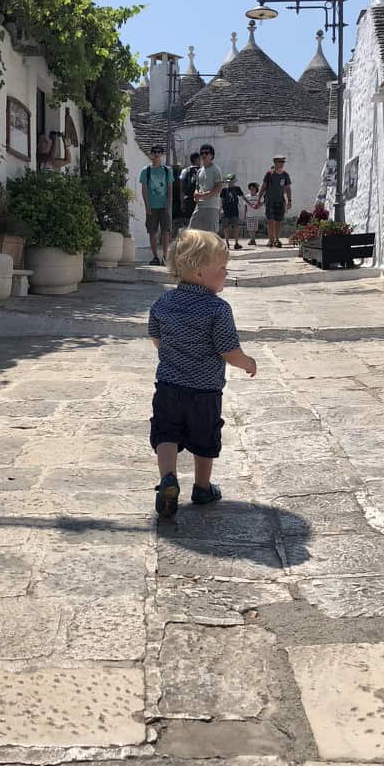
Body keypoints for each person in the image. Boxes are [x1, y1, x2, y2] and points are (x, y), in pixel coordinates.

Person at [148, 229, 257, 518]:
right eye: (221, 268)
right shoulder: (218, 309)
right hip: (205, 391)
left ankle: (168, 479)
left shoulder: (163, 303)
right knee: (205, 438)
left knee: (166, 432)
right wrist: (247, 363)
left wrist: (173, 355)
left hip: (168, 385)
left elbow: (156, 337)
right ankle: (202, 486)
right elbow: (227, 351)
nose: (225, 272)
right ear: (199, 273)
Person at [139, 145, 174, 265]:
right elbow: (144, 189)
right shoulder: (146, 171)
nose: (157, 154)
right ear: (152, 154)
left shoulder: (167, 170)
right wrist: (146, 205)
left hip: (164, 205)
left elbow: (170, 188)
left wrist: (169, 203)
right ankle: (155, 257)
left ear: (163, 154)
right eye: (155, 152)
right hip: (152, 206)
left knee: (165, 231)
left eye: (160, 152)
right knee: (152, 231)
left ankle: (165, 256)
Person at [258, 154, 292, 247]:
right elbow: (263, 187)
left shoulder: (285, 175)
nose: (282, 164)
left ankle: (277, 239)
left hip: (280, 200)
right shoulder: (269, 174)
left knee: (278, 221)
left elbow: (288, 188)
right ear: (275, 162)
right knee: (270, 220)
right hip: (269, 200)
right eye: (280, 162)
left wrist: (289, 200)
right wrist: (259, 199)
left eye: (283, 162)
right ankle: (270, 239)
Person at [188, 144, 223, 233]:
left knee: (211, 234)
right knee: (192, 231)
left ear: (211, 155)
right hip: (199, 206)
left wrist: (203, 195)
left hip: (211, 206)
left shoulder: (216, 170)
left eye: (206, 153)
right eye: (202, 153)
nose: (204, 155)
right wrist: (196, 193)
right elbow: (197, 186)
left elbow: (218, 188)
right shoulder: (200, 171)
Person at [220, 174, 245, 249]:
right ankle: (227, 243)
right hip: (226, 210)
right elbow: (222, 201)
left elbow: (243, 197)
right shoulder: (224, 190)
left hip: (234, 210)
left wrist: (250, 204)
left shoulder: (237, 189)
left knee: (236, 226)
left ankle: (236, 243)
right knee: (226, 227)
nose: (230, 183)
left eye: (232, 181)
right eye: (229, 181)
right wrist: (221, 210)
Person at [180, 152, 200, 225]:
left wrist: (182, 202)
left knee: (189, 221)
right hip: (200, 198)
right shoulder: (203, 170)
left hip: (188, 199)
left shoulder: (185, 171)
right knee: (199, 221)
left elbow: (182, 188)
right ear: (197, 159)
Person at [171, 161, 186, 236]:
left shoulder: (172, 180)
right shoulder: (181, 180)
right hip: (178, 203)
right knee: (179, 223)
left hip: (174, 203)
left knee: (175, 223)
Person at [245, 181, 262, 246]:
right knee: (249, 228)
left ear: (256, 189)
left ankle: (253, 239)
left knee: (254, 228)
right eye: (251, 188)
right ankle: (252, 239)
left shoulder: (258, 197)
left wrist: (258, 206)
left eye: (253, 188)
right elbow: (246, 206)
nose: (252, 190)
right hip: (249, 215)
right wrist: (245, 214)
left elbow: (261, 203)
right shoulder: (247, 196)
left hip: (255, 214)